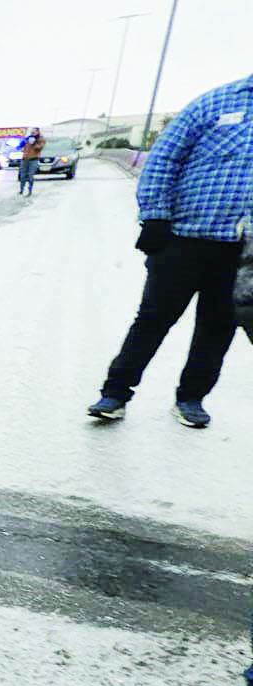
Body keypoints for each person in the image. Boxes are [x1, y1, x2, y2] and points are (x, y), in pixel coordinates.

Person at [87, 73, 253, 428]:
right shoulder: (215, 102)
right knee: (153, 319)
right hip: (183, 238)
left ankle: (191, 398)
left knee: (218, 327)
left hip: (242, 250)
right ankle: (115, 393)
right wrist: (155, 217)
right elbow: (164, 159)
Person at [17, 128, 45, 196]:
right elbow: (21, 147)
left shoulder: (41, 139)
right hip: (24, 159)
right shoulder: (28, 138)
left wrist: (34, 142)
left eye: (34, 132)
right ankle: (21, 190)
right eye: (31, 132)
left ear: (38, 132)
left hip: (33, 159)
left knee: (30, 175)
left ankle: (30, 190)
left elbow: (39, 148)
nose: (32, 133)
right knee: (22, 175)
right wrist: (22, 143)